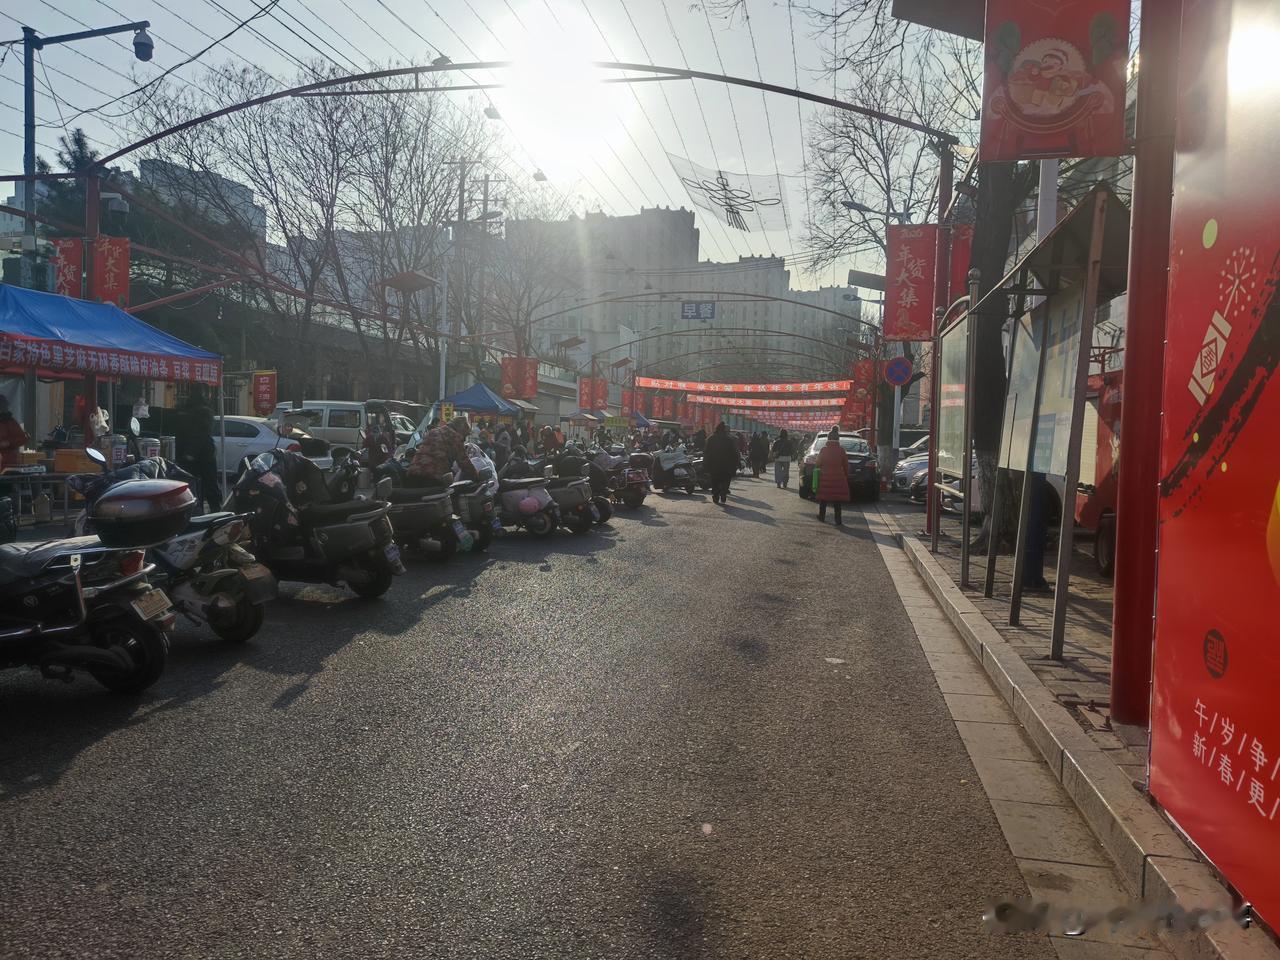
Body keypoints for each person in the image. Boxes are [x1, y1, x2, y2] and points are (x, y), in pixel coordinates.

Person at [175, 395, 221, 512]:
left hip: (198, 455)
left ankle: (209, 509)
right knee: (206, 485)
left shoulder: (198, 412)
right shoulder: (204, 411)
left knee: (199, 485)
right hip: (203, 454)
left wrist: (190, 453)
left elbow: (200, 434)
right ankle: (210, 509)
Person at [408, 414, 477, 486]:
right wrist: (477, 477)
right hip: (432, 477)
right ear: (461, 429)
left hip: (413, 473)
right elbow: (464, 462)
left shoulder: (433, 431)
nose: (464, 439)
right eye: (465, 435)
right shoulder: (455, 437)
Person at [814, 426, 851, 525]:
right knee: (837, 500)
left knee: (823, 499)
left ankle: (821, 517)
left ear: (828, 439)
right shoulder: (841, 450)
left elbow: (817, 464)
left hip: (824, 478)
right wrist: (846, 476)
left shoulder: (823, 450)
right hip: (838, 478)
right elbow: (846, 465)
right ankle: (838, 520)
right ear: (838, 439)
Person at [703, 422, 738, 506]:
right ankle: (723, 492)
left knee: (715, 481)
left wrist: (706, 464)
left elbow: (706, 452)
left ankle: (715, 496)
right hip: (726, 465)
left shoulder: (711, 439)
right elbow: (734, 453)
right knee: (726, 480)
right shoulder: (729, 439)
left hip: (714, 465)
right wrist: (736, 464)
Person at [0, 395, 28, 471]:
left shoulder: (10, 421)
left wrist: (9, 442)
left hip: (10, 464)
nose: (4, 407)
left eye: (4, 404)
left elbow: (22, 438)